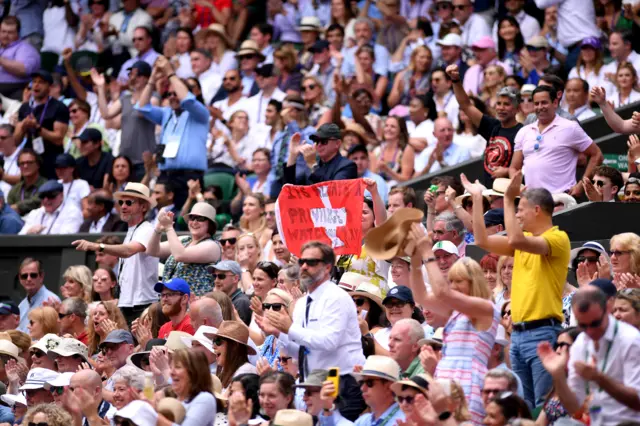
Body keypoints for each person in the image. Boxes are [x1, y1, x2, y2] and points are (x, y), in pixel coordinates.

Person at [466, 173, 570, 408]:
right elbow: (482, 240)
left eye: (520, 209)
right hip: (518, 335)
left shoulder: (558, 238)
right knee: (523, 406)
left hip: (543, 332)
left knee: (544, 405)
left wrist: (507, 199)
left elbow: (514, 239)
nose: (518, 214)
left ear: (537, 210)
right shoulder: (522, 242)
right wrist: (476, 199)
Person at [257, 241, 366, 421]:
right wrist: (277, 333)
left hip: (341, 382)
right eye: (302, 262)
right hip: (313, 383)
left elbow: (329, 342)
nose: (305, 267)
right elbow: (303, 352)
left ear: (327, 267)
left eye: (312, 262)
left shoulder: (336, 297)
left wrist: (289, 328)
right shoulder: (301, 304)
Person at [538, 288, 640, 423]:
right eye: (583, 325)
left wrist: (599, 378)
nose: (590, 332)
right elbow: (574, 408)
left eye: (595, 323)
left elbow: (637, 402)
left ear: (608, 309)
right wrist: (558, 375)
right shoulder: (581, 343)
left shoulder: (630, 339)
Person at [72, 182, 159, 325]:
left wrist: (96, 246)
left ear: (143, 207)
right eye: (121, 202)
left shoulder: (147, 229)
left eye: (129, 202)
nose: (123, 206)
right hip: (127, 304)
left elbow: (128, 251)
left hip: (143, 304)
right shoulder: (131, 231)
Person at [137, 56, 210, 210]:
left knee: (186, 221)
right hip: (166, 176)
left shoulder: (200, 113)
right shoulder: (166, 113)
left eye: (175, 93)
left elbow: (188, 101)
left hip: (189, 177)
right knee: (162, 218)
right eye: (169, 94)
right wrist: (152, 79)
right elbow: (142, 107)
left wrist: (171, 73)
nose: (172, 97)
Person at [509, 85, 603, 196]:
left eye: (544, 102)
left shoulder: (570, 127)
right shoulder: (524, 131)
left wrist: (582, 185)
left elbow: (597, 154)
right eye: (536, 103)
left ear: (555, 103)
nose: (540, 107)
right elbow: (514, 167)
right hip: (531, 202)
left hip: (561, 200)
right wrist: (517, 186)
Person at [447, 65, 522, 186]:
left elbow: (532, 167)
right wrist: (455, 80)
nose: (501, 108)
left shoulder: (523, 132)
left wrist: (508, 171)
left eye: (506, 104)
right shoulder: (492, 126)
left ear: (517, 109)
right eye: (498, 103)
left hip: (510, 194)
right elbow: (466, 105)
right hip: (489, 192)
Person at [147, 202, 221, 296]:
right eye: (192, 218)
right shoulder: (183, 240)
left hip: (195, 304)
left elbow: (180, 255)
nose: (194, 222)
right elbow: (152, 251)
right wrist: (158, 229)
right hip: (170, 300)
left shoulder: (212, 246)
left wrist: (169, 228)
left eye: (200, 219)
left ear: (210, 224)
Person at [14, 70, 69, 180]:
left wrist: (38, 128)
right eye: (34, 82)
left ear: (50, 86)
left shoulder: (58, 107)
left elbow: (58, 138)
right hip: (30, 157)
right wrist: (23, 126)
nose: (36, 85)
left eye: (41, 82)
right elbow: (16, 140)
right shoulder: (25, 108)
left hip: (50, 158)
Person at [284, 123, 358, 186]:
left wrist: (313, 165)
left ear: (337, 144)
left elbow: (331, 193)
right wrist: (292, 156)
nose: (318, 145)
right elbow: (290, 188)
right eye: (316, 141)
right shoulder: (312, 165)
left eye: (323, 141)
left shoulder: (347, 166)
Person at [347, 355, 405, 425]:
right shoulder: (362, 421)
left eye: (369, 383)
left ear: (389, 387)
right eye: (362, 382)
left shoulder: (405, 421)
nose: (362, 388)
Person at [19, 180, 83, 235]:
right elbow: (20, 238)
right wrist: (29, 232)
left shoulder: (72, 212)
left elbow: (65, 239)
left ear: (61, 195)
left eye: (50, 196)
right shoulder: (35, 213)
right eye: (42, 196)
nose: (46, 200)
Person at [207, 320, 257, 390]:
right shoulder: (225, 371)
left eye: (218, 341)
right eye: (213, 341)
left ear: (234, 346)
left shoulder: (246, 371)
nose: (213, 346)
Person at [17, 258, 60, 333]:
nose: (28, 279)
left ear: (41, 276)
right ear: (20, 279)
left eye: (33, 275)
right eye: (24, 276)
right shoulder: (21, 306)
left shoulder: (52, 300)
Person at [209, 260, 252, 326]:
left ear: (235, 278)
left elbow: (235, 332)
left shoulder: (241, 302)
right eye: (214, 276)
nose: (216, 281)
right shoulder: (223, 298)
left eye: (221, 276)